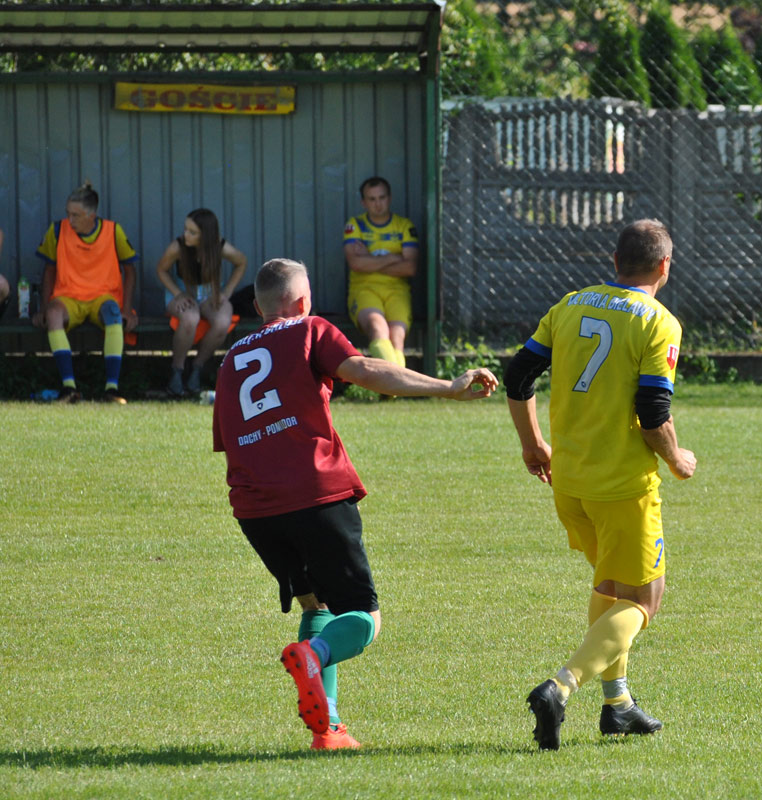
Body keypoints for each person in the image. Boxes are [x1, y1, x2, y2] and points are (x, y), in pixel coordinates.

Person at [212, 257, 497, 750]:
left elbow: (229, 440)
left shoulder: (230, 361)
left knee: (315, 602)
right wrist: (446, 387)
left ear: (257, 307)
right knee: (364, 618)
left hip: (254, 510)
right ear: (303, 302)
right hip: (314, 494)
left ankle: (329, 730)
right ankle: (316, 655)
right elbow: (364, 369)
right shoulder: (309, 329)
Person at [503, 219, 697, 751]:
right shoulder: (659, 322)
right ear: (664, 266)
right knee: (645, 599)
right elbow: (653, 411)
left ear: (614, 262)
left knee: (611, 588)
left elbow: (518, 376)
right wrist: (677, 458)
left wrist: (532, 444)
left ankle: (618, 705)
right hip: (623, 487)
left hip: (569, 481)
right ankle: (560, 687)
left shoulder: (570, 304)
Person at [31, 182, 138, 404]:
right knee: (53, 314)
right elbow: (49, 271)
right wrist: (43, 308)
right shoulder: (57, 230)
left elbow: (130, 270)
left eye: (76, 215)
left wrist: (127, 309)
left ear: (92, 216)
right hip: (68, 297)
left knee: (114, 314)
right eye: (68, 214)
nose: (70, 220)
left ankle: (111, 389)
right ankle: (69, 387)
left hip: (102, 297)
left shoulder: (113, 231)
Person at [155, 209, 248, 396]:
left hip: (209, 293)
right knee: (190, 318)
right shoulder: (178, 247)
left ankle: (197, 368)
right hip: (183, 292)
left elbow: (241, 262)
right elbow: (161, 270)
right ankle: (177, 370)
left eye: (193, 232)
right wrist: (178, 294)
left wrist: (226, 292)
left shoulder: (220, 246)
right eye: (185, 229)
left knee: (222, 321)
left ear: (206, 236)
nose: (186, 235)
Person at [342, 176, 418, 369]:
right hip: (364, 290)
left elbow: (409, 268)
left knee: (397, 336)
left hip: (397, 291)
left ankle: (394, 381)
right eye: (372, 199)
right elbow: (356, 264)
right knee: (378, 328)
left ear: (389, 198)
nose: (378, 204)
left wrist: (369, 259)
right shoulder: (355, 225)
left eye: (382, 198)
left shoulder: (404, 226)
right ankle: (398, 381)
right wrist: (394, 257)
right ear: (364, 202)